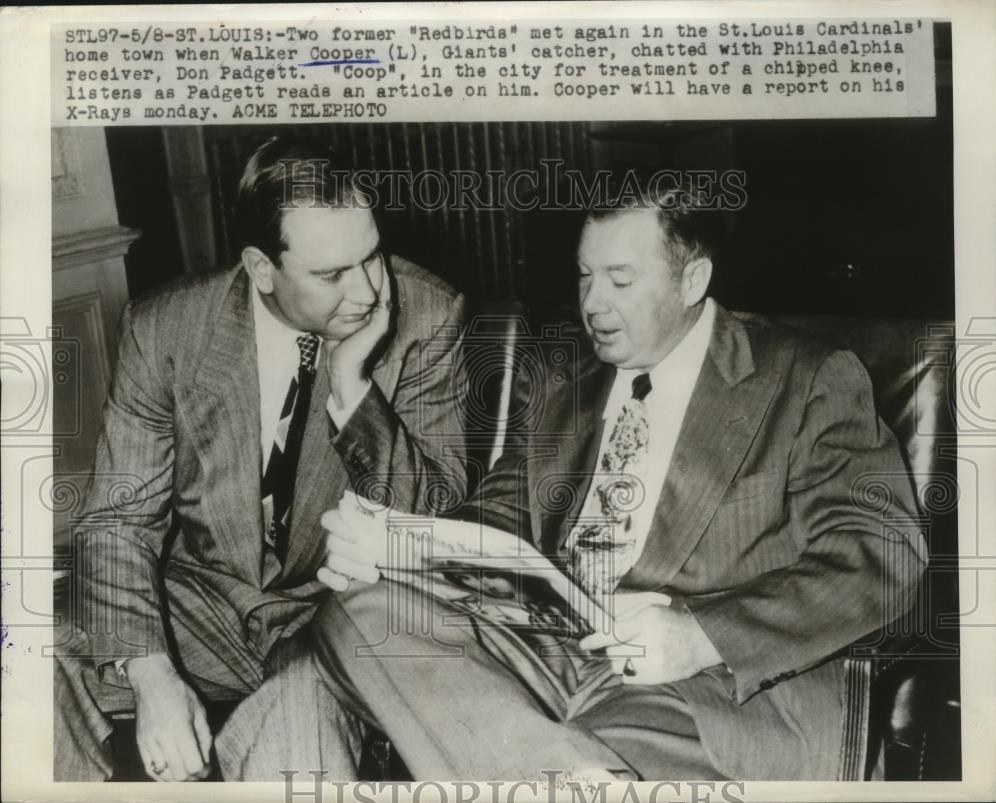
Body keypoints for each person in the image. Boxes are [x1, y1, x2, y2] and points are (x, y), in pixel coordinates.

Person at [314, 185, 927, 781]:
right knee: (358, 612)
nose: (593, 303)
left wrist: (702, 635)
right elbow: (502, 516)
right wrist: (404, 546)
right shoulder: (564, 380)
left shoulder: (804, 376)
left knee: (583, 743)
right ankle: (566, 775)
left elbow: (883, 554)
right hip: (548, 643)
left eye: (621, 280)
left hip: (701, 686)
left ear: (693, 281)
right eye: (585, 276)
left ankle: (557, 768)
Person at [54, 136, 468, 781]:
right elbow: (118, 520)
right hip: (203, 598)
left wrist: (354, 386)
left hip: (340, 609)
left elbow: (430, 518)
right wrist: (151, 671)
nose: (365, 291)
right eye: (331, 275)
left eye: (372, 257)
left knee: (297, 716)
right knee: (36, 651)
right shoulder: (166, 328)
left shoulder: (426, 316)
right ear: (261, 267)